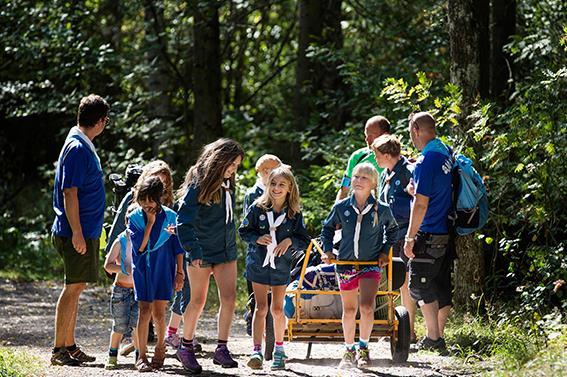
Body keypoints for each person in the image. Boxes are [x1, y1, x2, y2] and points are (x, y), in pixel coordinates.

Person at [176, 138, 245, 374]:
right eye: (232, 165)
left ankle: (222, 348)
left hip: (226, 251)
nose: (234, 170)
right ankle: (185, 347)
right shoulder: (198, 182)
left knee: (229, 298)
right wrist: (192, 250)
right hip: (201, 251)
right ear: (219, 160)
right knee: (197, 301)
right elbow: (183, 221)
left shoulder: (229, 182)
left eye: (236, 166)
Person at [50, 94, 109, 366]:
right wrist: (76, 232)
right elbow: (69, 193)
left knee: (78, 285)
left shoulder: (82, 144)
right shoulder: (76, 148)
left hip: (84, 230)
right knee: (72, 287)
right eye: (106, 120)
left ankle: (69, 345)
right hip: (75, 231)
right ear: (100, 121)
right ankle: (58, 349)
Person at [321, 163, 398, 369]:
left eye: (364, 177)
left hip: (370, 264)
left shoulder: (381, 209)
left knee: (365, 307)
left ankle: (363, 348)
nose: (358, 180)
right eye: (355, 176)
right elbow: (327, 229)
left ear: (373, 183)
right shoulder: (341, 207)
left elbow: (393, 231)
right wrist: (328, 250)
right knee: (349, 309)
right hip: (345, 264)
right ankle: (348, 349)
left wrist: (385, 251)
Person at [239, 166, 310, 370]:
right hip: (258, 264)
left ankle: (279, 350)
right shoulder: (257, 208)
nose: (276, 188)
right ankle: (256, 351)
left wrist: (289, 241)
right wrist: (257, 238)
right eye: (273, 184)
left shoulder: (294, 214)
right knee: (260, 308)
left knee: (277, 309)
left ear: (290, 189)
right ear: (267, 185)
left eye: (282, 185)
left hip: (281, 266)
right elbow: (244, 231)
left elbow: (303, 240)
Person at [106, 160, 175, 353]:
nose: (160, 184)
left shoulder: (169, 206)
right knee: (139, 313)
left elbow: (173, 240)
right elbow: (122, 235)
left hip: (160, 265)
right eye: (156, 178)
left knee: (156, 311)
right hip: (137, 267)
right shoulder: (133, 202)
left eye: (164, 180)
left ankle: (145, 346)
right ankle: (139, 351)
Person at [403, 111, 453, 353]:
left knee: (419, 285)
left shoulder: (427, 161)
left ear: (415, 130)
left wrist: (409, 237)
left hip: (429, 231)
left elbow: (421, 204)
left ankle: (434, 339)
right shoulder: (444, 151)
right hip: (444, 228)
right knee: (432, 284)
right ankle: (435, 337)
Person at [128, 176, 184, 371]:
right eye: (142, 200)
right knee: (144, 311)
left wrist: (180, 273)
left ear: (158, 197)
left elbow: (178, 249)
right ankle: (141, 356)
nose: (146, 204)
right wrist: (150, 223)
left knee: (159, 313)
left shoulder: (171, 217)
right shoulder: (134, 217)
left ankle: (161, 348)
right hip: (143, 269)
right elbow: (140, 249)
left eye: (149, 200)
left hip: (163, 269)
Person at [371, 134, 417, 342]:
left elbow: (417, 201)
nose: (376, 159)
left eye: (377, 155)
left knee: (404, 281)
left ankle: (409, 332)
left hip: (405, 232)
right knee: (388, 281)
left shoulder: (408, 171)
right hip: (388, 234)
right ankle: (391, 326)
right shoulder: (384, 173)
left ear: (388, 155)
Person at [242, 154, 284, 335]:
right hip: (258, 254)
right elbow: (246, 227)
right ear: (266, 172)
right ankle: (255, 329)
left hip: (279, 253)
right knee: (258, 300)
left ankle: (275, 336)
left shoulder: (281, 192)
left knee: (276, 301)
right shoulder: (252, 195)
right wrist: (258, 238)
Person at [103, 230, 139, 369]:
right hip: (121, 290)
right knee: (119, 325)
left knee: (137, 326)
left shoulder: (146, 238)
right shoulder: (120, 240)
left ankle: (139, 355)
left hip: (139, 290)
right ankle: (112, 355)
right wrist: (125, 268)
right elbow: (108, 266)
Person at [336, 116, 391, 202]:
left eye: (372, 136)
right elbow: (344, 189)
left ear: (385, 135)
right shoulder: (357, 157)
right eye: (366, 135)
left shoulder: (396, 157)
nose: (367, 140)